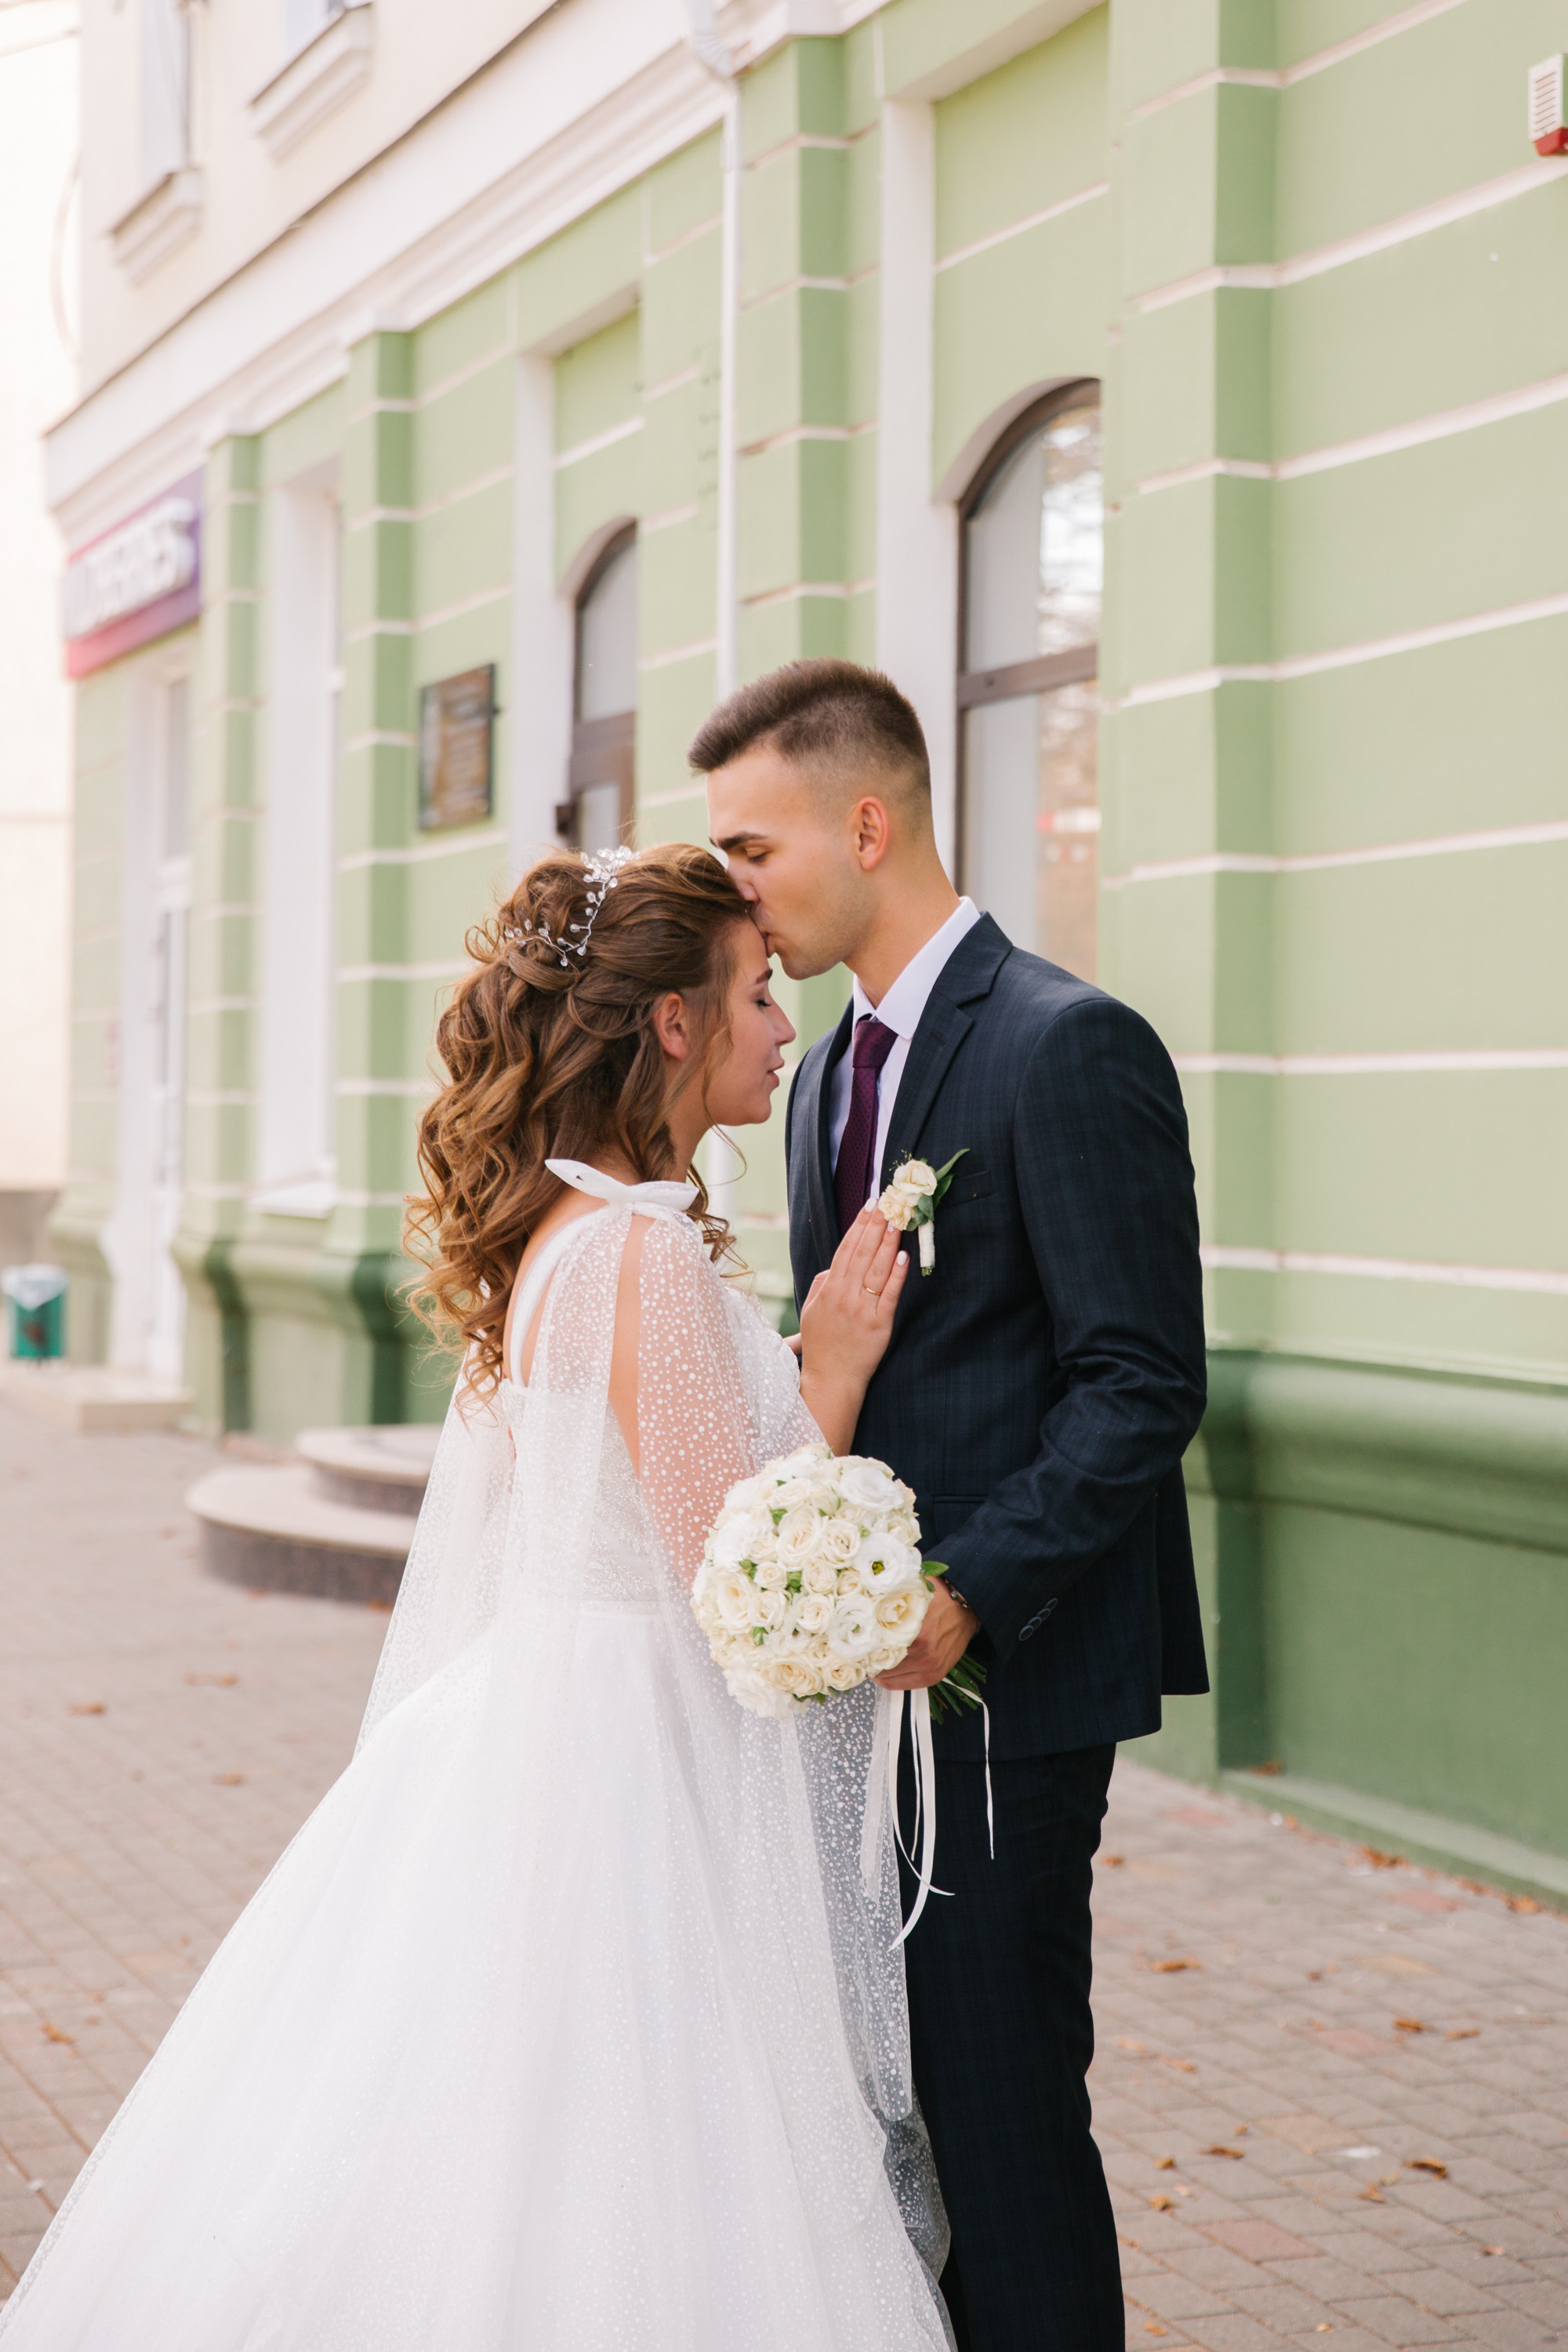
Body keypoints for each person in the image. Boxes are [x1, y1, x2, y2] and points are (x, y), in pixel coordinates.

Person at [0, 843, 954, 2352]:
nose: (786, 1029)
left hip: (542, 1716)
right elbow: (735, 1569)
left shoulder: (563, 1236)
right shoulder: (635, 1251)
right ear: (673, 1026)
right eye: (758, 996)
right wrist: (831, 1374)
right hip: (634, 1760)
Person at [695, 662, 1210, 2352]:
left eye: (751, 846)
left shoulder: (1070, 1043)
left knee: (997, 2120)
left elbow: (1141, 1377)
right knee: (888, 2119)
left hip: (1007, 1677)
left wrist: (967, 1590)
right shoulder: (829, 1069)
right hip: (857, 1688)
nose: (733, 887)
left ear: (868, 817)